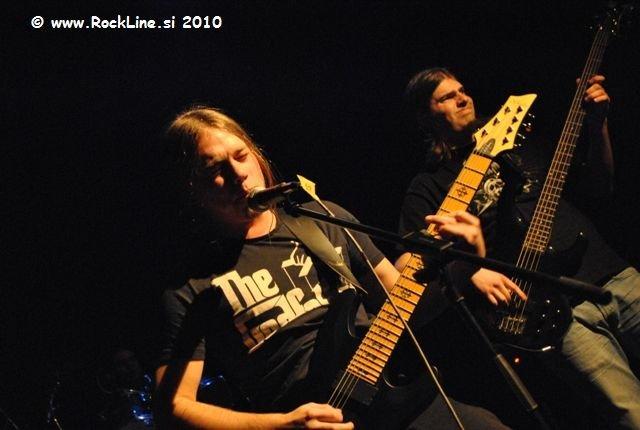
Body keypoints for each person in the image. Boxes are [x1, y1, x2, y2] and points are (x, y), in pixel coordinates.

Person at [154, 106, 511, 429]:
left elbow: (405, 309)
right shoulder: (190, 284)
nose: (238, 175)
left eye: (241, 156)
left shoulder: (322, 219)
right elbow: (173, 407)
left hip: (399, 401)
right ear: (191, 188)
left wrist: (464, 261)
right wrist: (279, 425)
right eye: (215, 169)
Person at [399, 67, 640, 428]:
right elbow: (414, 261)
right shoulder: (429, 186)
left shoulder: (517, 142)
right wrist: (471, 271)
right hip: (555, 313)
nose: (463, 98)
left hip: (614, 276)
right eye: (447, 96)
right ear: (426, 117)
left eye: (462, 90)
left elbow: (599, 186)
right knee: (631, 411)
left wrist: (598, 125)